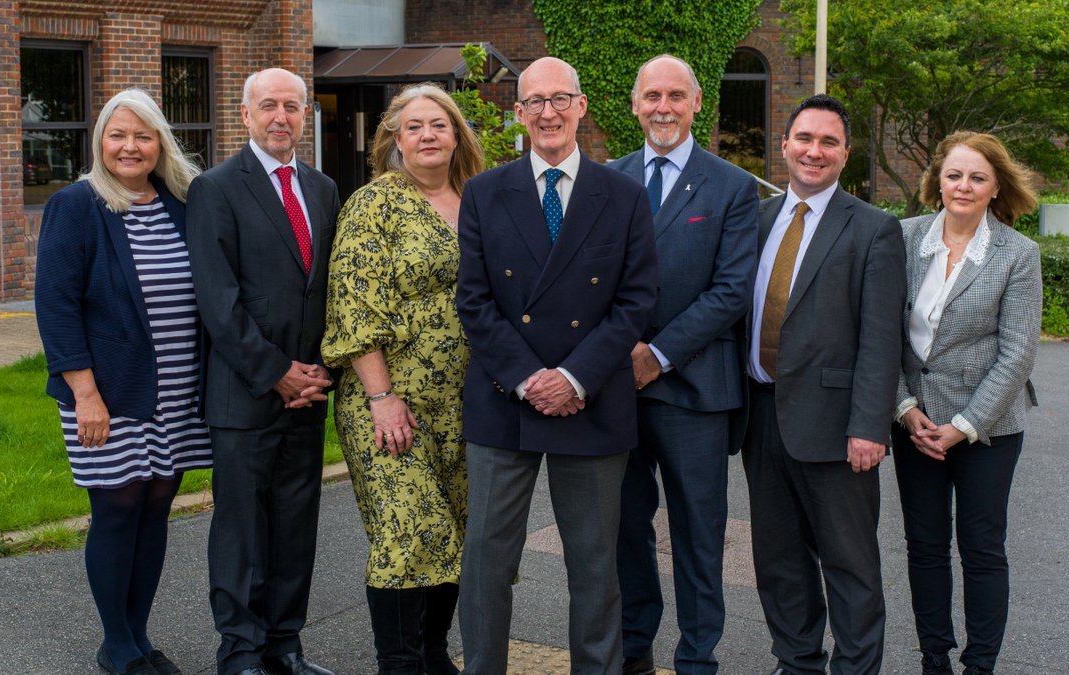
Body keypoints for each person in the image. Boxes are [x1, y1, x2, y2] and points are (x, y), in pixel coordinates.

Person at [454, 56, 658, 674]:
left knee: (595, 563)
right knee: (487, 558)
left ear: (582, 106)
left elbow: (636, 299)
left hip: (591, 399)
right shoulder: (486, 192)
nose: (548, 112)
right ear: (517, 113)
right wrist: (528, 378)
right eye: (535, 101)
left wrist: (572, 377)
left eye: (559, 99)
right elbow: (475, 299)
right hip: (503, 397)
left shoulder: (622, 195)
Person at [35, 88, 208, 675]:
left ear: (160, 142)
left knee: (157, 504)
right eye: (118, 135)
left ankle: (138, 635)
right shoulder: (78, 204)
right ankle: (116, 644)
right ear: (100, 142)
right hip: (108, 391)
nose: (130, 147)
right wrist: (85, 394)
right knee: (117, 507)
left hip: (178, 386)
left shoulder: (182, 202)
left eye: (142, 135)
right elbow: (56, 306)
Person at [321, 82, 484, 675]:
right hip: (389, 402)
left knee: (453, 534)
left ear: (457, 133)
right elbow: (355, 307)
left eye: (438, 124)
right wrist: (382, 398)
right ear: (393, 138)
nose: (427, 135)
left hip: (466, 404)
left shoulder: (478, 199)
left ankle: (434, 654)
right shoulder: (374, 204)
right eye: (413, 126)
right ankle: (400, 663)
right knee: (408, 530)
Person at [741, 94, 906, 675]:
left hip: (839, 428)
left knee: (850, 563)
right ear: (784, 145)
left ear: (845, 153)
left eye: (828, 142)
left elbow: (882, 340)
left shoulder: (874, 230)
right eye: (805, 138)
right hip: (761, 418)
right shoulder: (757, 219)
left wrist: (869, 427)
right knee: (778, 560)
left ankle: (856, 668)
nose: (815, 151)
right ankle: (797, 661)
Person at [607, 54, 757, 675]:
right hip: (615, 391)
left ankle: (698, 657)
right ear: (636, 104)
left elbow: (731, 290)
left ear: (698, 103)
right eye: (651, 96)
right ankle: (634, 643)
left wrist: (659, 354)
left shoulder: (732, 186)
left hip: (695, 389)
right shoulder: (608, 180)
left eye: (675, 95)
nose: (662, 106)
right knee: (623, 528)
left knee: (699, 533)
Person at [187, 68, 340, 675]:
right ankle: (241, 653)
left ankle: (285, 646)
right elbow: (218, 301)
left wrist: (319, 372)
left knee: (296, 528)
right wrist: (276, 371)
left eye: (293, 107)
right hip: (245, 394)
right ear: (245, 115)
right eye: (269, 106)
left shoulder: (324, 188)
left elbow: (326, 290)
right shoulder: (216, 188)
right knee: (243, 531)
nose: (282, 116)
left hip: (309, 393)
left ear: (306, 116)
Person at [892, 131, 1041, 675]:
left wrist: (964, 425)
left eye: (977, 177)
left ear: (995, 186)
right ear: (938, 180)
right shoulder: (903, 238)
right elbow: (880, 334)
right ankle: (935, 659)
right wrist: (905, 409)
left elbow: (1017, 352)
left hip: (989, 429)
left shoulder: (1018, 254)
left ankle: (980, 665)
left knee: (981, 549)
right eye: (954, 174)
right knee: (924, 546)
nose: (964, 185)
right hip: (914, 423)